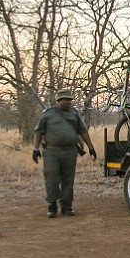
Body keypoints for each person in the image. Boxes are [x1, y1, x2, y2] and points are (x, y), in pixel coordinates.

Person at [32, 89, 97, 218]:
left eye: (70, 100)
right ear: (59, 100)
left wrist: (90, 147)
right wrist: (35, 149)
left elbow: (82, 131)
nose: (69, 102)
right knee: (52, 178)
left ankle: (67, 206)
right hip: (51, 151)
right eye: (66, 100)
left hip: (70, 151)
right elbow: (39, 132)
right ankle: (52, 205)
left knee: (68, 179)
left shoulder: (74, 114)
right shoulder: (48, 114)